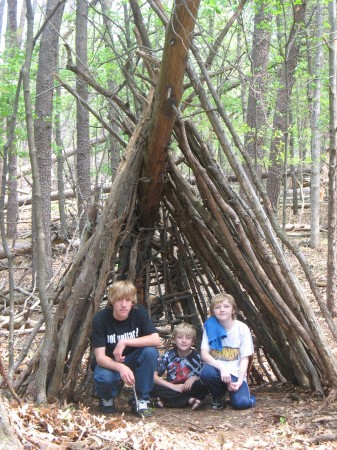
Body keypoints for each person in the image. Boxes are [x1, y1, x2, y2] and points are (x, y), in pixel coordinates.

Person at [91, 280, 161, 417]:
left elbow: (156, 339)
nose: (124, 305)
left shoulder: (139, 313)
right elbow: (100, 357)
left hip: (133, 359)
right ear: (112, 302)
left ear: (132, 302)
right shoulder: (101, 319)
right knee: (104, 377)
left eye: (128, 300)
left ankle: (140, 399)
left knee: (150, 352)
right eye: (119, 300)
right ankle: (107, 397)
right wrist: (120, 367)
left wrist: (124, 342)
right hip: (109, 363)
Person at [199, 292, 256, 410]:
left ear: (233, 310)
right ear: (213, 311)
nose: (222, 310)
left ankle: (241, 394)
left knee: (242, 404)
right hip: (217, 370)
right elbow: (204, 354)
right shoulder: (209, 327)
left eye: (226, 306)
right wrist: (222, 368)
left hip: (235, 372)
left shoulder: (241, 328)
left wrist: (240, 381)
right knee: (206, 373)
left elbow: (245, 358)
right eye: (218, 307)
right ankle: (218, 396)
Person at [150, 323, 208, 409]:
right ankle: (190, 400)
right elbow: (153, 377)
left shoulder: (198, 356)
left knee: (203, 386)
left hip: (190, 388)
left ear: (193, 342)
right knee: (150, 386)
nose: (184, 341)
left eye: (188, 338)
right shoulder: (168, 355)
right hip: (172, 387)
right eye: (180, 337)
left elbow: (205, 376)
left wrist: (194, 378)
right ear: (174, 340)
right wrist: (173, 387)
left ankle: (166, 399)